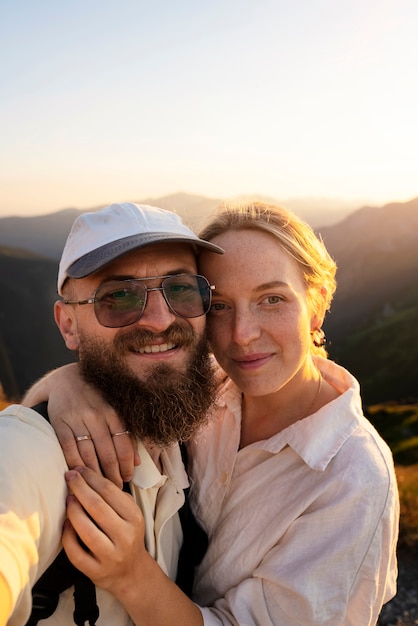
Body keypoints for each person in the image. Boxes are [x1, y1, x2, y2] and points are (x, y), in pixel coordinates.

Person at [24, 202, 400, 625]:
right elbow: (125, 370)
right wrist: (68, 384)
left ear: (316, 305)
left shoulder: (353, 477)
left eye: (272, 299)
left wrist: (131, 574)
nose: (243, 334)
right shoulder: (202, 385)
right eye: (219, 305)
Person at [0, 201, 223, 625]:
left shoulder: (196, 425)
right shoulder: (40, 450)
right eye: (118, 296)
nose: (160, 320)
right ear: (68, 325)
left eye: (180, 289)